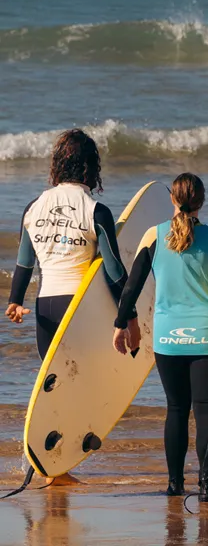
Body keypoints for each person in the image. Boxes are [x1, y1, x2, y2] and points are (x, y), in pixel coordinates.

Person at [112, 173, 208, 501]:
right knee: (206, 411)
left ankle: (174, 485)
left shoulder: (153, 236)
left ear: (172, 198)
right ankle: (207, 487)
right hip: (207, 338)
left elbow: (132, 286)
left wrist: (120, 323)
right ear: (202, 201)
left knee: (176, 409)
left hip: (167, 338)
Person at [6, 129, 127, 486]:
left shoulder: (34, 207)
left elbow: (24, 264)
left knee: (55, 389)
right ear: (91, 167)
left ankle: (53, 468)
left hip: (45, 307)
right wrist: (129, 315)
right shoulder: (96, 210)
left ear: (57, 164)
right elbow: (114, 271)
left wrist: (14, 301)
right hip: (81, 309)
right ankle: (57, 467)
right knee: (81, 386)